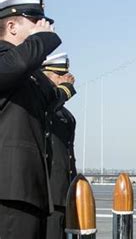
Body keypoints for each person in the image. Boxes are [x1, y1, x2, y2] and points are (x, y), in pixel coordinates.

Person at [0, 0, 61, 239]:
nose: (44, 26)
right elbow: (19, 64)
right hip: (8, 190)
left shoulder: (29, 73)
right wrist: (44, 40)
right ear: (12, 26)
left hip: (29, 190)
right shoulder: (8, 62)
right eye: (36, 21)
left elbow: (53, 97)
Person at [42, 53, 77, 239]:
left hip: (64, 192)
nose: (65, 79)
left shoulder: (65, 114)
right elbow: (46, 109)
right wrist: (65, 90)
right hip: (47, 195)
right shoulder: (40, 105)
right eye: (58, 74)